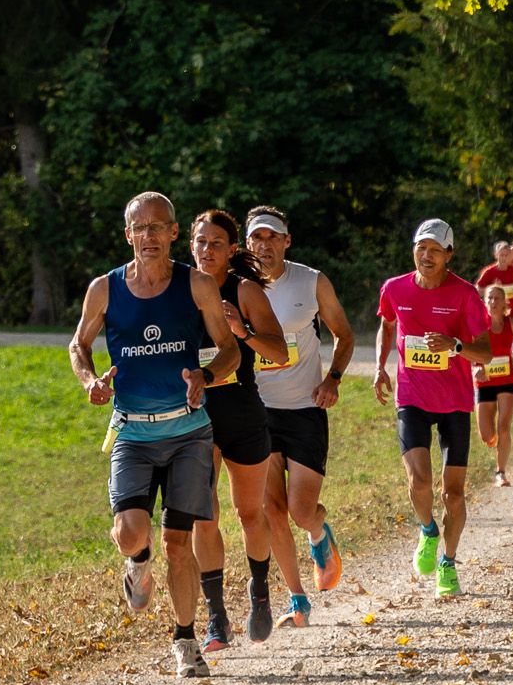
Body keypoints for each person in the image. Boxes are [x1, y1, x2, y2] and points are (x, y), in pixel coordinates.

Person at [68, 191, 239, 678]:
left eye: (157, 227)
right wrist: (91, 382)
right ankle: (136, 561)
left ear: (172, 232)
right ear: (128, 236)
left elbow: (229, 350)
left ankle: (186, 642)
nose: (148, 236)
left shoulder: (198, 285)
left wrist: (206, 378)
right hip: (134, 434)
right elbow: (78, 344)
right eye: (139, 228)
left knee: (178, 544)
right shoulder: (105, 289)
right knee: (129, 532)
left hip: (189, 434)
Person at [187, 210, 294, 653]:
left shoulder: (245, 290)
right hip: (195, 415)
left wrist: (242, 332)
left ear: (233, 250)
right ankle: (215, 617)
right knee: (203, 514)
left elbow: (281, 353)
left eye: (216, 243)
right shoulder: (180, 290)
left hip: (242, 413)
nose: (206, 250)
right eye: (199, 241)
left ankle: (260, 591)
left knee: (250, 513)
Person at [244, 206, 354, 639]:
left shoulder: (311, 281)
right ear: (248, 244)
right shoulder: (238, 288)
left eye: (273, 237)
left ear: (287, 241)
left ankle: (320, 534)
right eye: (258, 238)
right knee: (271, 509)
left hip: (307, 408)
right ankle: (297, 599)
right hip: (259, 410)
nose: (265, 245)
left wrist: (334, 379)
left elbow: (345, 334)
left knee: (300, 509)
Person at [373, 219, 492, 599]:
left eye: (435, 250)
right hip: (412, 397)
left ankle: (448, 563)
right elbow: (387, 325)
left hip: (455, 403)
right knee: (419, 482)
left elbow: (485, 352)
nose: (427, 255)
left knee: (453, 494)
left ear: (449, 255)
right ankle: (427, 530)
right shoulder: (395, 288)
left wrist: (455, 346)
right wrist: (379, 367)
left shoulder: (466, 294)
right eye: (421, 248)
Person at [472, 282, 513, 486]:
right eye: (489, 298)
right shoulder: (476, 325)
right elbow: (468, 351)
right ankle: (495, 444)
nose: (492, 301)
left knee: (504, 426)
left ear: (504, 303)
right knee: (487, 435)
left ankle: (500, 472)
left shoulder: (512, 324)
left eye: (497, 298)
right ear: (484, 302)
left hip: (507, 380)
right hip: (484, 382)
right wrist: (475, 368)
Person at [476, 238, 513, 321]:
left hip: (512, 312)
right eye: (502, 255)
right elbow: (477, 291)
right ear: (496, 255)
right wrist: (493, 288)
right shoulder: (489, 272)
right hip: (495, 314)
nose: (504, 258)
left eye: (507, 255)